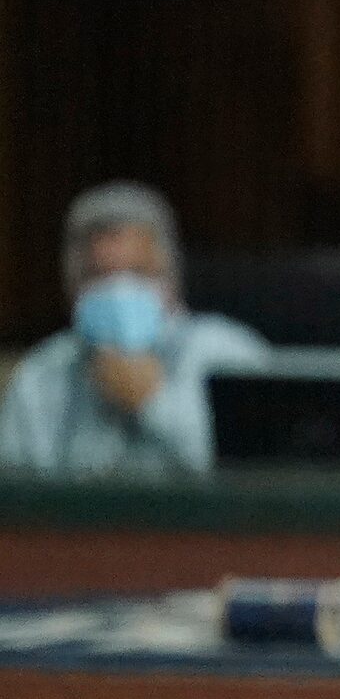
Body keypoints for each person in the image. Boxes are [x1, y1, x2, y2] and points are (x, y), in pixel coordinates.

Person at [0, 181, 271, 478]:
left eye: (137, 273)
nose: (118, 290)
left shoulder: (229, 356)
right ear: (72, 288)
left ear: (170, 278)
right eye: (98, 276)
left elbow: (257, 475)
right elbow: (17, 496)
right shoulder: (41, 374)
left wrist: (153, 403)